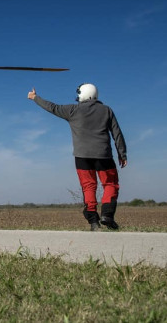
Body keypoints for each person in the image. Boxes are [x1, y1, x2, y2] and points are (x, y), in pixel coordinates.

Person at [27, 84, 127, 231]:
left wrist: (35, 98)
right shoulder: (106, 110)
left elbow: (52, 107)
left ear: (82, 94)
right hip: (103, 155)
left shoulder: (73, 110)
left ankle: (93, 221)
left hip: (82, 157)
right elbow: (117, 133)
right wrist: (122, 153)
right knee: (111, 184)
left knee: (88, 187)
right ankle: (107, 215)